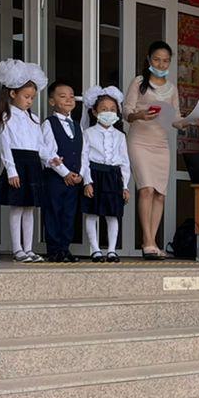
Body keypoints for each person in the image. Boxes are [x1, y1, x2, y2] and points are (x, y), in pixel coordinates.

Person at [124, 42, 176, 258]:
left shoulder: (172, 88)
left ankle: (153, 242)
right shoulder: (139, 82)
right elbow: (126, 111)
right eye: (157, 60)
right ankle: (147, 241)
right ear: (148, 59)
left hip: (161, 143)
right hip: (140, 140)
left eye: (165, 61)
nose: (161, 64)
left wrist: (192, 120)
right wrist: (140, 115)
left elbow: (176, 119)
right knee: (146, 189)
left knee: (160, 194)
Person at [0, 59, 47, 263]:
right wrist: (11, 170)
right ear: (13, 94)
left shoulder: (34, 119)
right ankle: (17, 249)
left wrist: (52, 159)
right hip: (17, 163)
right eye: (26, 97)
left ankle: (29, 248)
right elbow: (4, 146)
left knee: (29, 208)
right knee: (17, 207)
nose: (29, 101)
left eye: (32, 98)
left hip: (32, 164)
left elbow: (40, 145)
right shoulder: (6, 118)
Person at [81, 85, 131, 262]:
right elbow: (84, 159)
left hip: (113, 176)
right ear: (95, 112)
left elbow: (124, 161)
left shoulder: (120, 136)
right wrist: (87, 181)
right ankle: (95, 249)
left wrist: (125, 185)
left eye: (112, 109)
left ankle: (111, 250)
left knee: (112, 214)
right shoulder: (88, 133)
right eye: (104, 109)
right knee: (92, 213)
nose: (108, 113)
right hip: (95, 174)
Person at [40, 81, 84, 263]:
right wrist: (65, 173)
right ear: (52, 101)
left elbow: (83, 153)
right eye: (63, 96)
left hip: (73, 179)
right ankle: (54, 249)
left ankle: (65, 248)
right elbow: (48, 152)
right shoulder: (49, 124)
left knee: (69, 214)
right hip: (56, 177)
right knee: (53, 212)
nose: (68, 99)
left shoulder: (78, 126)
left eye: (71, 96)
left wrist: (80, 174)